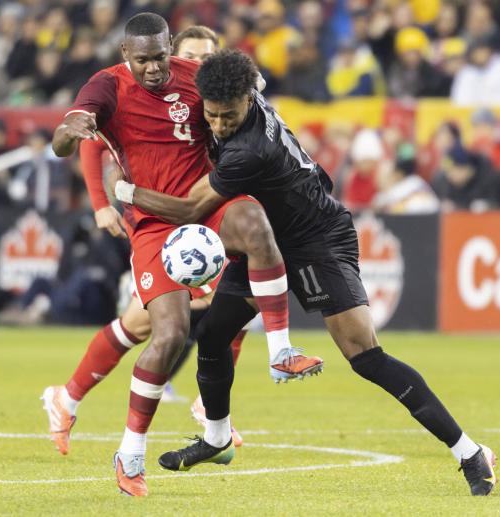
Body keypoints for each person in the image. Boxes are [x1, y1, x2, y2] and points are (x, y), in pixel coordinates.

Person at [117, 49, 497, 497]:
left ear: (245, 101)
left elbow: (188, 208)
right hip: (267, 243)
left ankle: (470, 451)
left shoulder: (248, 149)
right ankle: (217, 437)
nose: (218, 125)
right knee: (215, 335)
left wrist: (124, 189)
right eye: (212, 116)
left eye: (227, 116)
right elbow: (246, 72)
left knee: (365, 356)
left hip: (316, 240)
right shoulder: (246, 91)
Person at [47, 14, 322, 497]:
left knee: (256, 225)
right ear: (125, 55)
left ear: (169, 47)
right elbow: (64, 142)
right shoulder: (106, 88)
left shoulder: (194, 77)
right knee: (168, 334)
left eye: (158, 57)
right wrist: (71, 131)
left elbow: (241, 114)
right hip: (153, 224)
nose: (153, 69)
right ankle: (130, 452)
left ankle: (281, 352)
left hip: (205, 206)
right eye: (142, 60)